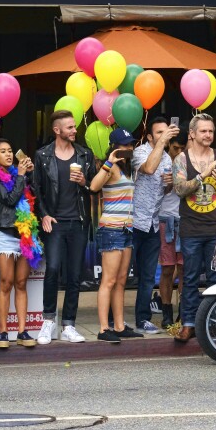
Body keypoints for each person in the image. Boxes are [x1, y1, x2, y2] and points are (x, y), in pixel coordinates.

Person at [34, 110, 96, 345]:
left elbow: (94, 187)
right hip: (55, 223)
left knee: (73, 275)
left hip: (78, 222)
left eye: (74, 126)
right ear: (57, 130)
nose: (74, 130)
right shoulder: (43, 156)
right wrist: (45, 214)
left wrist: (85, 183)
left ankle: (69, 324)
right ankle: (48, 320)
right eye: (69, 127)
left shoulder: (84, 155)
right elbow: (37, 188)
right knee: (53, 269)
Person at [173, 113, 216, 342]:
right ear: (192, 134)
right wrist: (203, 176)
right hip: (191, 227)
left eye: (210, 131)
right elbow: (179, 189)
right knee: (189, 277)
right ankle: (188, 323)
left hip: (215, 226)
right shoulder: (181, 159)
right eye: (203, 131)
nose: (208, 135)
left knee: (215, 278)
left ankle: (214, 322)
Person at [0, 140, 42, 348]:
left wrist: (31, 173)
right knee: (6, 282)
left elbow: (36, 194)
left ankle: (22, 331)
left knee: (21, 283)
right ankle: (2, 332)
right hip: (5, 234)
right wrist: (20, 175)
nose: (9, 154)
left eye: (10, 151)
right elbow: (9, 199)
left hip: (26, 235)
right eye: (3, 151)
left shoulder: (21, 174)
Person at [89, 129, 143, 343]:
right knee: (109, 280)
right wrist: (109, 162)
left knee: (121, 280)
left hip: (126, 229)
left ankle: (119, 326)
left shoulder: (128, 169)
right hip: (111, 229)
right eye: (124, 145)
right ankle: (104, 328)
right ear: (114, 147)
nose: (128, 149)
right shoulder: (110, 168)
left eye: (130, 145)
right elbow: (93, 186)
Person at [131, 116, 180, 335]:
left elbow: (164, 191)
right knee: (120, 275)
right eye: (159, 133)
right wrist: (162, 144)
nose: (164, 136)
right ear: (150, 136)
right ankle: (112, 320)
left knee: (149, 276)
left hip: (152, 223)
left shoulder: (168, 159)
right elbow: (149, 169)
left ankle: (143, 319)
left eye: (165, 132)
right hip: (133, 223)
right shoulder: (140, 152)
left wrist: (169, 186)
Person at [158, 131, 187, 329]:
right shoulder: (162, 161)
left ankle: (184, 312)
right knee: (167, 269)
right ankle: (166, 311)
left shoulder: (191, 161)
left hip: (186, 221)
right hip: (165, 220)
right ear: (169, 145)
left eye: (183, 149)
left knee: (185, 270)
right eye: (176, 148)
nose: (179, 152)